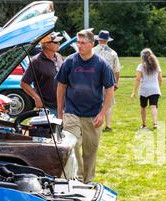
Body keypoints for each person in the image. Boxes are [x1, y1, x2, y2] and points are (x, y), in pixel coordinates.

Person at [56, 29, 115, 184]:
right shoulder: (69, 62)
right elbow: (61, 87)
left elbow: (109, 90)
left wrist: (102, 113)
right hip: (72, 112)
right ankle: (77, 178)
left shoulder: (102, 64)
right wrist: (60, 113)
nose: (79, 45)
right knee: (71, 146)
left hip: (93, 114)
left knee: (90, 151)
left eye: (83, 43)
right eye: (78, 42)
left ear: (92, 44)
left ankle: (88, 181)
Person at [21, 31, 64, 114]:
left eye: (58, 42)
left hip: (63, 105)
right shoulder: (36, 61)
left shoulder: (59, 56)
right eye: (55, 42)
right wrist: (36, 98)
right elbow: (24, 83)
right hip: (47, 107)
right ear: (46, 44)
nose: (59, 43)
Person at [93, 30, 121, 132]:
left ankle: (95, 123)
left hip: (94, 80)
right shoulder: (113, 53)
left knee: (96, 102)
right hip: (109, 81)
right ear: (107, 40)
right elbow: (117, 70)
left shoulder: (93, 51)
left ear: (98, 40)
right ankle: (108, 125)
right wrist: (116, 82)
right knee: (108, 103)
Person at [131, 48, 162, 130]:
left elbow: (137, 79)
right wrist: (158, 87)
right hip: (155, 89)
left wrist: (134, 91)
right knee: (153, 106)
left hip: (144, 89)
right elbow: (160, 79)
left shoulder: (141, 66)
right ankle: (155, 123)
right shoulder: (156, 66)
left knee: (143, 107)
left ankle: (144, 125)